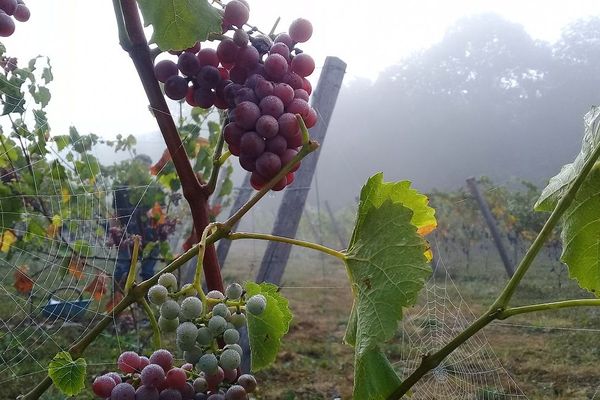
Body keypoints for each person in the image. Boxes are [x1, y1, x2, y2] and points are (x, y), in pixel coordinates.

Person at [112, 154, 161, 291]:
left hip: (150, 237)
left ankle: (144, 301)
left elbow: (160, 214)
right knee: (122, 268)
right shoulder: (121, 188)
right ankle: (117, 300)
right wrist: (114, 236)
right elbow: (116, 214)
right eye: (139, 167)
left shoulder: (153, 188)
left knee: (148, 273)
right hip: (126, 236)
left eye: (146, 167)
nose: (142, 170)